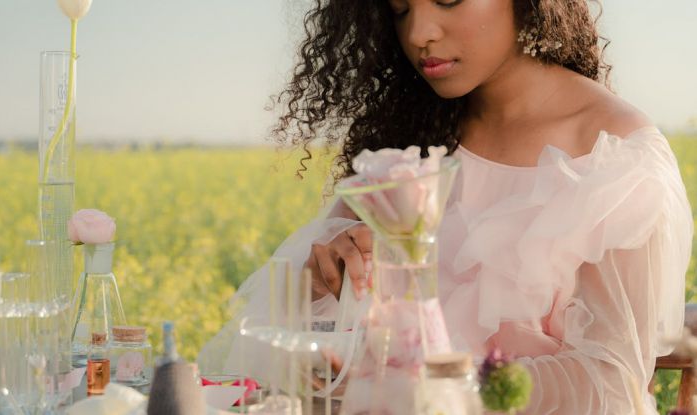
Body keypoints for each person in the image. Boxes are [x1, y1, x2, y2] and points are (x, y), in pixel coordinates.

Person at [199, 0, 694, 412]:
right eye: (399, 10)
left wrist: (439, 391)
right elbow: (304, 359)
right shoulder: (411, 140)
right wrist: (322, 282)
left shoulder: (616, 157)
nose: (419, 33)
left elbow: (611, 383)